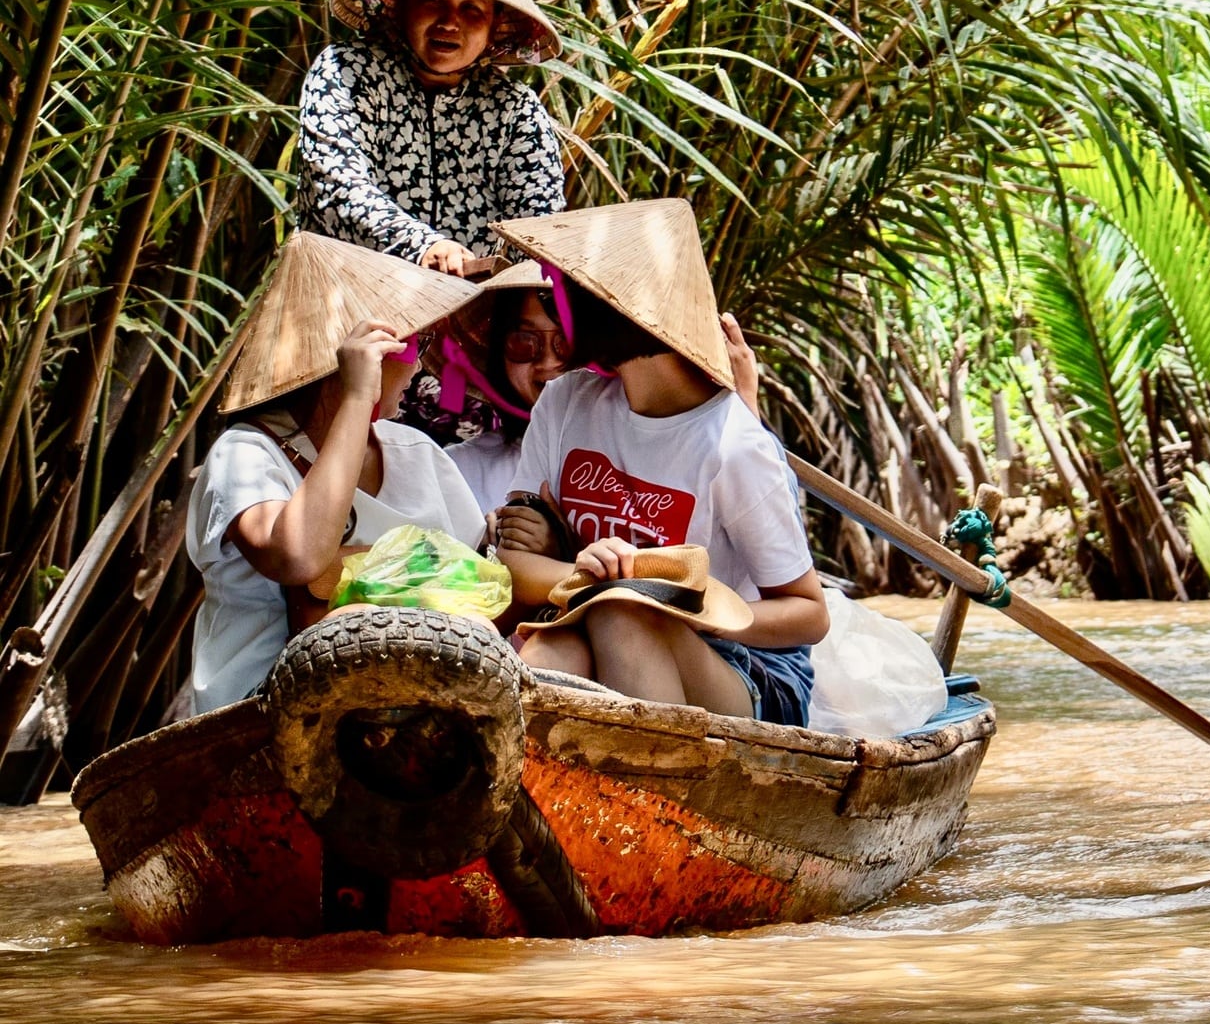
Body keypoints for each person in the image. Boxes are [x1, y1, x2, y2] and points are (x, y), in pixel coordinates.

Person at [491, 200, 828, 725]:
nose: (557, 309)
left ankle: (661, 793)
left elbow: (808, 614)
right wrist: (592, 574)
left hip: (745, 667)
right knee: (557, 648)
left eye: (566, 293)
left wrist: (678, 603)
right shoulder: (564, 403)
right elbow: (514, 562)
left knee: (621, 613)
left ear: (617, 309)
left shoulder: (732, 445)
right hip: (590, 619)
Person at [184, 235, 487, 713]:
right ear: (352, 355)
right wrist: (354, 398)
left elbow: (475, 582)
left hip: (423, 705)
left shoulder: (415, 451)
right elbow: (299, 558)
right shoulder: (246, 452)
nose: (421, 366)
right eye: (410, 346)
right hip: (264, 713)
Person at [297, 0, 564, 275]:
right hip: (348, 302)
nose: (450, 22)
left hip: (469, 314)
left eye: (472, 8)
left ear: (493, 26)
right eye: (433, 0)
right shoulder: (347, 70)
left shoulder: (514, 109)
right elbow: (334, 186)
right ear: (402, 6)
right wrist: (424, 246)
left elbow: (538, 228)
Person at [441, 261, 571, 512]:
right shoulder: (458, 471)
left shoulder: (642, 462)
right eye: (524, 341)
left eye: (566, 342)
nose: (548, 362)